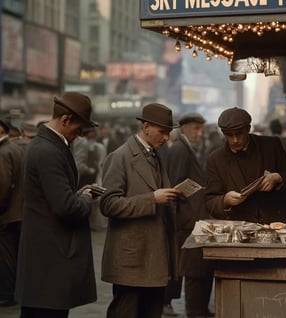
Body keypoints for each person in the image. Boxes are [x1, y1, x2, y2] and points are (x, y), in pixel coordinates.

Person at [15, 92, 98, 318]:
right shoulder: (48, 151)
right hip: (49, 259)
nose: (78, 136)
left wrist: (77, 194)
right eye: (78, 129)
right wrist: (86, 197)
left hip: (46, 260)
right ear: (65, 120)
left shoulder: (47, 146)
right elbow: (66, 207)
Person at [100, 103, 181, 318]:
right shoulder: (120, 157)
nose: (166, 138)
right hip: (133, 259)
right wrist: (152, 199)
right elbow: (108, 204)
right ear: (146, 127)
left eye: (168, 133)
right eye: (162, 132)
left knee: (151, 312)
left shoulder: (155, 155)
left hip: (154, 256)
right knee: (125, 312)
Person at [205, 107, 286, 224]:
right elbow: (210, 201)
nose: (235, 140)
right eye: (229, 135)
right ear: (223, 133)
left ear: (248, 129)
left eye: (239, 133)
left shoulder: (271, 146)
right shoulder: (216, 159)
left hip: (276, 223)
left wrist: (277, 177)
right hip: (240, 229)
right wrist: (225, 200)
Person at [166, 112, 214, 318]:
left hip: (193, 217)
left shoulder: (188, 148)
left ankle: (200, 309)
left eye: (201, 129)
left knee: (199, 268)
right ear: (184, 128)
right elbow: (174, 184)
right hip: (187, 220)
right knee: (194, 270)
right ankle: (196, 311)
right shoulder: (180, 149)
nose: (200, 133)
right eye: (196, 128)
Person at [0, 118, 24, 307]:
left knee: (6, 257)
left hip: (6, 213)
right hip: (17, 212)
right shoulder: (16, 148)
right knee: (13, 255)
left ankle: (8, 295)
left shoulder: (3, 151)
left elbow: (3, 187)